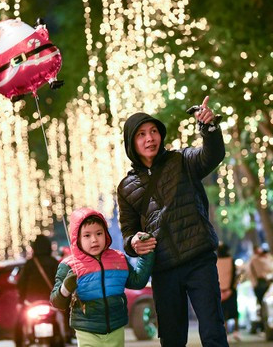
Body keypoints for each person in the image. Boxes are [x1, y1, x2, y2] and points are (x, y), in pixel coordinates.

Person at [117, 95, 228, 346]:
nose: (150, 138)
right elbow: (128, 232)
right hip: (164, 268)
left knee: (213, 331)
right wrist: (133, 241)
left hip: (199, 258)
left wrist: (209, 128)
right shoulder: (126, 187)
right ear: (131, 142)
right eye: (141, 134)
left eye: (153, 131)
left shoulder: (182, 160)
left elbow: (213, 155)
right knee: (172, 337)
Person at [51, 207, 154, 347]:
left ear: (105, 234)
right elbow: (57, 302)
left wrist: (147, 253)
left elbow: (137, 282)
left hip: (116, 326)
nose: (94, 240)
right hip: (87, 329)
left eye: (99, 233)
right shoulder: (69, 265)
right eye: (87, 235)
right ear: (77, 238)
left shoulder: (118, 258)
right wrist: (65, 288)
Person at [16, 234, 61, 346]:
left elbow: (21, 284)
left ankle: (19, 342)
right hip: (51, 301)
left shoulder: (30, 264)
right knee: (61, 320)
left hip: (31, 302)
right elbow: (61, 281)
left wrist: (21, 301)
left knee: (19, 324)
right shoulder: (54, 262)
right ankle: (66, 337)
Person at [245, 245, 273, 333]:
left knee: (262, 304)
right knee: (263, 304)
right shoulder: (260, 260)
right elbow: (270, 269)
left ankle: (263, 324)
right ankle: (264, 324)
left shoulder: (252, 260)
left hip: (257, 285)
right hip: (262, 283)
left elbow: (248, 273)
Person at [216, 243, 240, 342]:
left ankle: (226, 332)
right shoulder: (231, 260)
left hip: (219, 290)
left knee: (223, 312)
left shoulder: (215, 261)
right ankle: (236, 331)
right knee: (234, 311)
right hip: (231, 290)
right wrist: (232, 287)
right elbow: (235, 275)